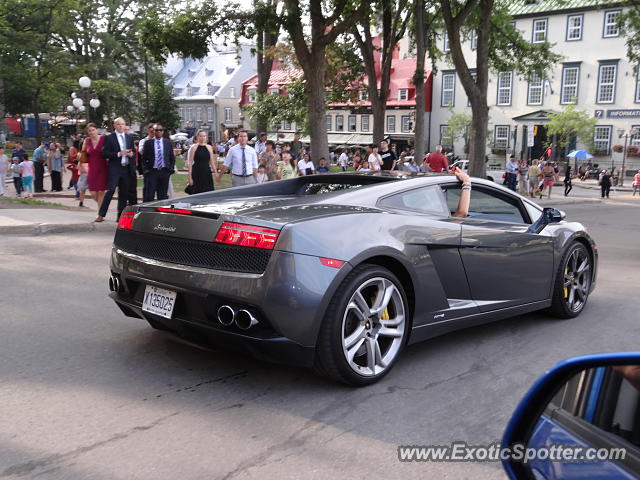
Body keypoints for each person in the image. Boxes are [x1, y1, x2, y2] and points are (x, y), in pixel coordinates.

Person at [98, 117, 137, 222]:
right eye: (118, 124)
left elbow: (133, 152)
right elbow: (104, 153)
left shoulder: (129, 138)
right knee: (110, 190)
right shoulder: (109, 138)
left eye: (122, 124)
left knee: (124, 194)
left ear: (125, 125)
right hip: (115, 168)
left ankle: (120, 216)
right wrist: (119, 153)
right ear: (114, 125)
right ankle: (101, 214)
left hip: (126, 168)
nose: (121, 126)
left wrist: (131, 154)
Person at [140, 122, 175, 201]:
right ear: (153, 131)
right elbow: (143, 158)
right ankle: (148, 212)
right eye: (156, 130)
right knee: (150, 195)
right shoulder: (148, 143)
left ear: (163, 131)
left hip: (164, 171)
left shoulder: (167, 142)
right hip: (152, 172)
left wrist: (170, 170)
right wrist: (146, 170)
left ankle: (160, 212)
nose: (158, 131)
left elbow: (171, 157)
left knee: (162, 196)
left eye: (160, 130)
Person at [84, 123, 107, 210]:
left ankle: (100, 213)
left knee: (101, 191)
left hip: (103, 168)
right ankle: (102, 207)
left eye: (93, 130)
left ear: (97, 130)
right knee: (93, 192)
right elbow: (83, 153)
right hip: (92, 168)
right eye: (89, 131)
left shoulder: (104, 138)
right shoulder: (87, 140)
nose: (92, 132)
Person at [187, 129, 217, 194]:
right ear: (197, 137)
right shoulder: (194, 148)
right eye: (200, 136)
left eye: (204, 136)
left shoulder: (209, 147)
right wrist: (189, 177)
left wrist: (216, 174)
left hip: (207, 173)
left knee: (208, 193)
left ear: (206, 137)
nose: (202, 138)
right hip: (196, 173)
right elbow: (190, 163)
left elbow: (212, 162)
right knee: (197, 193)